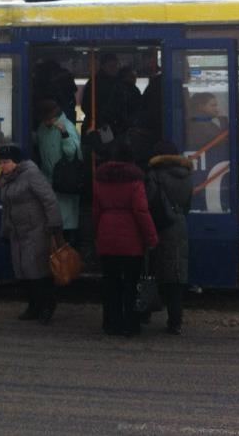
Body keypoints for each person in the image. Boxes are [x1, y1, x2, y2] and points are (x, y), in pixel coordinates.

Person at [93, 144, 158, 336]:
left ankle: (111, 323)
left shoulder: (100, 179)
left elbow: (96, 211)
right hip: (131, 240)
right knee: (131, 283)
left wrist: (97, 233)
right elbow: (141, 211)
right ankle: (130, 324)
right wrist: (151, 237)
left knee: (110, 283)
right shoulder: (135, 181)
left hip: (106, 235)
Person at [0, 144, 62, 326]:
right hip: (18, 233)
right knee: (24, 272)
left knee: (39, 272)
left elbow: (49, 199)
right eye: (0, 162)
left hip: (36, 231)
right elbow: (7, 209)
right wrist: (5, 231)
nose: (2, 166)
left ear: (16, 162)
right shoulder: (8, 179)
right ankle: (33, 306)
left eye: (5, 162)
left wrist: (54, 224)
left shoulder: (31, 175)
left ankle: (47, 306)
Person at [144, 141, 193, 335]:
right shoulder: (186, 175)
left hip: (158, 225)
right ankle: (175, 322)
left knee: (151, 272)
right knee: (175, 277)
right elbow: (187, 204)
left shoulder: (154, 175)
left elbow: (149, 201)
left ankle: (145, 312)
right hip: (178, 225)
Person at [33, 99, 82, 246]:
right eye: (45, 119)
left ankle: (67, 249)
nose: (47, 122)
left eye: (49, 119)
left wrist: (64, 134)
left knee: (65, 222)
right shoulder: (43, 128)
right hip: (50, 180)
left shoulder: (67, 127)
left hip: (65, 181)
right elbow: (38, 141)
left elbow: (71, 152)